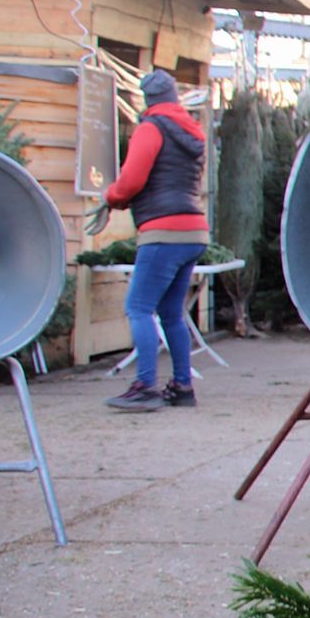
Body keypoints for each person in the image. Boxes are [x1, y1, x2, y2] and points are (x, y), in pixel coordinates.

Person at [90, 69, 208, 412]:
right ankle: (182, 386)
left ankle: (144, 385)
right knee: (171, 312)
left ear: (148, 99)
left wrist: (110, 198)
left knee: (138, 308)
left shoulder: (151, 128)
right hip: (194, 230)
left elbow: (131, 181)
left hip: (163, 231)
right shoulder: (193, 132)